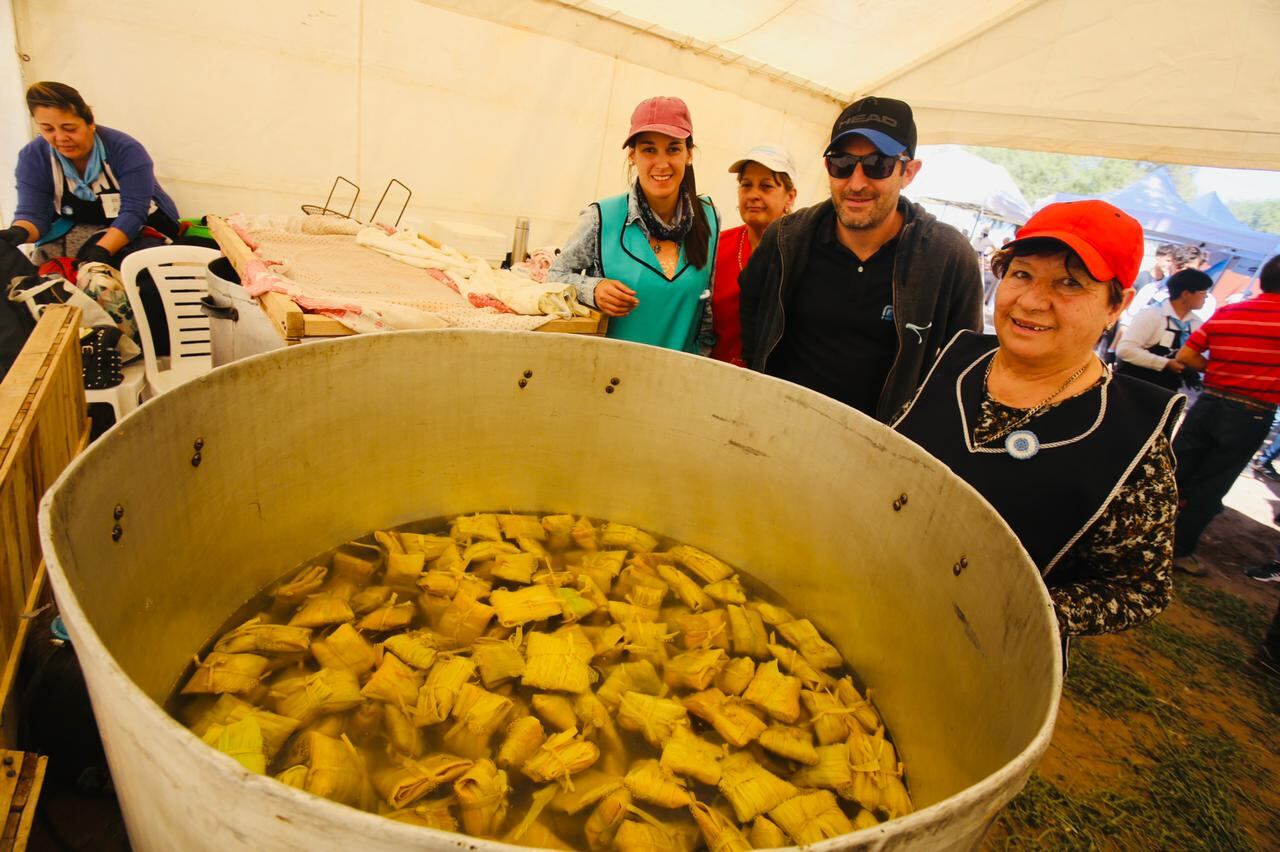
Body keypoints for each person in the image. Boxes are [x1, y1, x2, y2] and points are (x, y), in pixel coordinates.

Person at [894, 200, 1183, 637]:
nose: (1031, 301)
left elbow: (1139, 588)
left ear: (1115, 305)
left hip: (980, 649)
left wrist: (1019, 610)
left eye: (1069, 283)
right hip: (870, 592)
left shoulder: (1128, 431)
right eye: (1022, 274)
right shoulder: (955, 360)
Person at [740, 96, 982, 422]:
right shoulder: (787, 238)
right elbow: (753, 315)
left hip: (880, 452)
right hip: (778, 433)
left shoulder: (946, 257)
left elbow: (964, 368)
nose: (856, 183)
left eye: (877, 164)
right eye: (841, 163)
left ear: (908, 171)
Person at [549, 96, 719, 353]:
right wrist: (593, 289)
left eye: (673, 148)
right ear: (632, 155)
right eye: (649, 149)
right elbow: (553, 277)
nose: (661, 163)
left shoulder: (709, 218)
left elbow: (705, 309)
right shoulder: (601, 217)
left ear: (689, 154)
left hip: (678, 378)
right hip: (610, 378)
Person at [1171, 254, 1280, 575]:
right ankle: (1180, 549)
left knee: (1175, 471)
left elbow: (1187, 355)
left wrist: (1219, 373)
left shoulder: (1230, 311)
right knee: (1211, 483)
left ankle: (1140, 536)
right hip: (1251, 412)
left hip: (1209, 402)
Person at [1, 82, 179, 269]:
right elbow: (34, 213)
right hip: (82, 225)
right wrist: (19, 231)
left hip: (142, 224)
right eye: (48, 129)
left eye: (69, 128)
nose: (61, 138)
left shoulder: (125, 150)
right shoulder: (34, 156)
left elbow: (134, 212)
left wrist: (101, 250)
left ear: (90, 123)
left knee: (132, 267)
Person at [711, 145, 797, 366]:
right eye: (746, 185)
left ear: (790, 196)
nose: (753, 195)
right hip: (711, 376)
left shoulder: (801, 253)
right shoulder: (717, 246)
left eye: (766, 186)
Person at [1114, 268, 1212, 391]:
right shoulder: (1152, 314)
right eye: (1203, 293)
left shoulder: (1196, 323)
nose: (1206, 297)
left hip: (1166, 388)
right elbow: (1125, 350)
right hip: (1132, 383)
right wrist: (1165, 363)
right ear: (1186, 294)